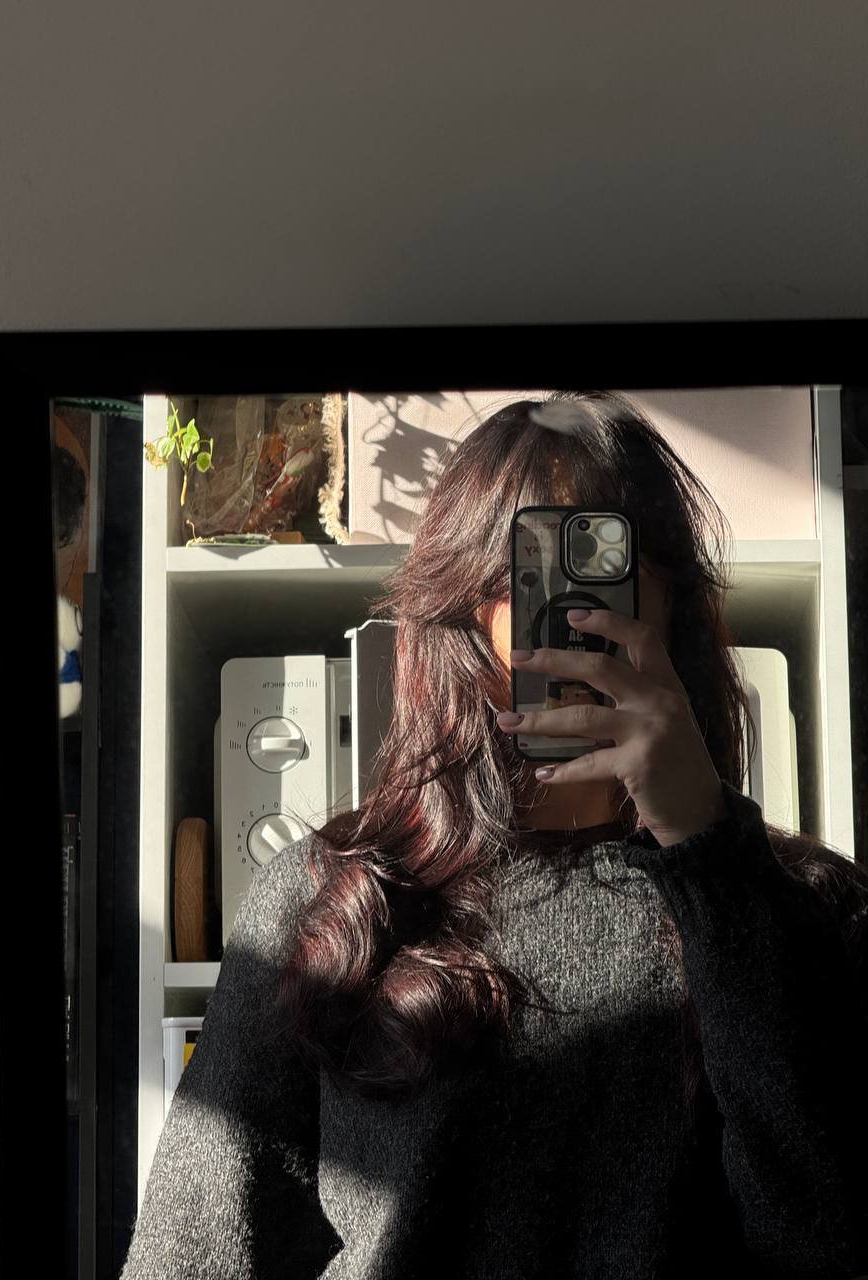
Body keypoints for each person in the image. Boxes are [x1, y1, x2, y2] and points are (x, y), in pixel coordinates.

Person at [119, 391, 868, 1279]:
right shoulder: (335, 899)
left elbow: (833, 1233)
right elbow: (190, 1254)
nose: (572, 608)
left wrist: (710, 851)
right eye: (532, 564)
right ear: (462, 604)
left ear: (671, 600)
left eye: (606, 560)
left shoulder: (808, 910)